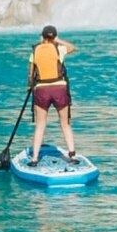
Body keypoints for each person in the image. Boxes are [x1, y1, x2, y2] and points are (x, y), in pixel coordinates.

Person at [27, 25, 78, 165]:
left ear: (42, 37)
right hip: (59, 89)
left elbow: (31, 74)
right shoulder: (59, 49)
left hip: (41, 90)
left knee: (40, 125)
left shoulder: (35, 51)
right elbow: (73, 47)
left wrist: (29, 87)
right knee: (65, 124)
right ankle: (72, 156)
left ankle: (35, 158)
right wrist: (58, 40)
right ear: (54, 37)